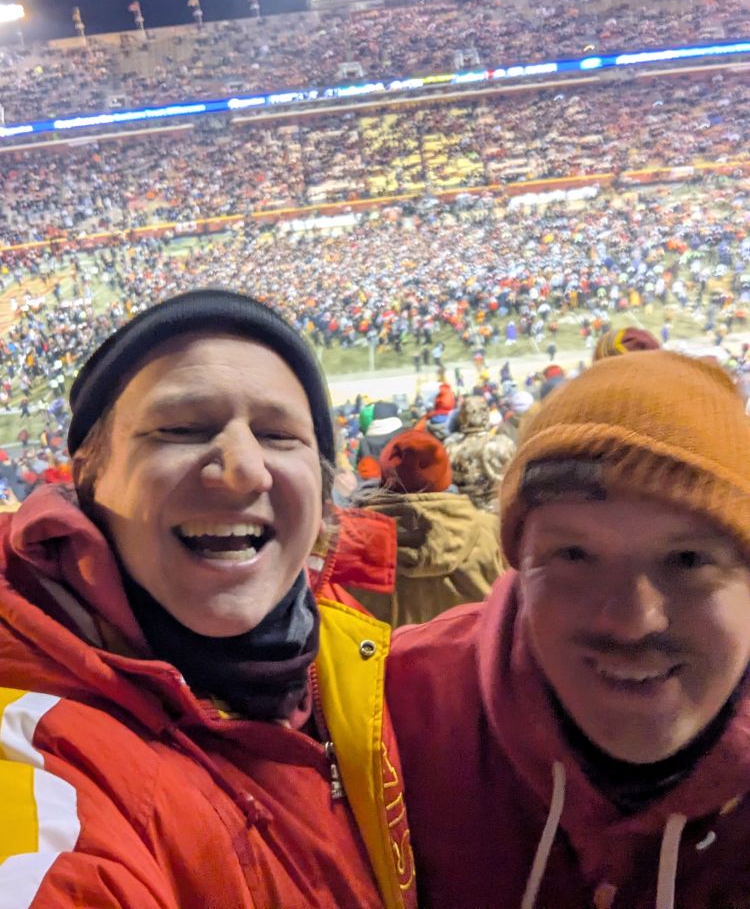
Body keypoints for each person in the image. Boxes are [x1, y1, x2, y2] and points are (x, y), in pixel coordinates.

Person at [0, 289, 415, 909]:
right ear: (87, 474)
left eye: (279, 435)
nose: (243, 468)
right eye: (180, 430)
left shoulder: (358, 654)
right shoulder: (35, 748)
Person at [388, 350, 750, 909]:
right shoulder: (393, 710)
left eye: (687, 560)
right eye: (574, 555)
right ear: (518, 565)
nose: (632, 622)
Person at [351, 428, 502, 625]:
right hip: (473, 652)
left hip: (391, 653)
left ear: (385, 477)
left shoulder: (354, 544)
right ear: (445, 475)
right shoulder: (489, 530)